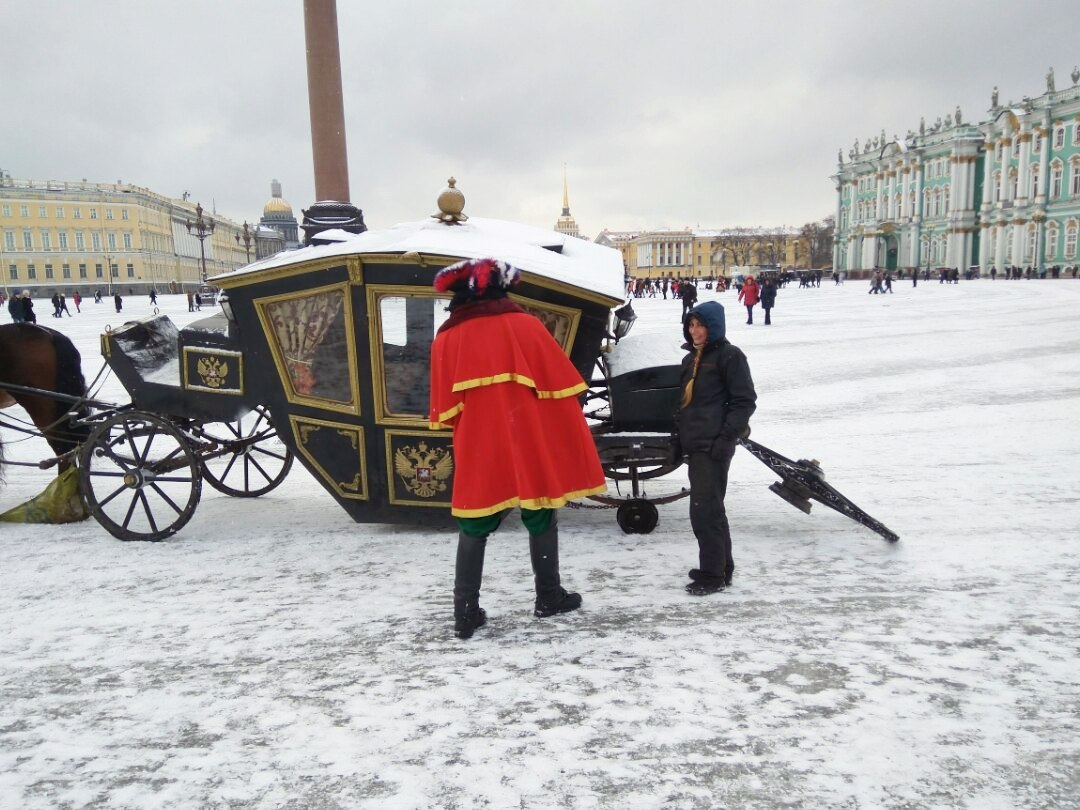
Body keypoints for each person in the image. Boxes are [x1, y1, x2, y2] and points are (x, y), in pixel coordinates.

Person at [428, 257, 607, 639]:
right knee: (539, 512)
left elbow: (444, 410)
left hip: (478, 444)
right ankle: (548, 596)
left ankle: (465, 612)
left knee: (474, 524)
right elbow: (560, 391)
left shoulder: (446, 338)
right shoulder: (526, 325)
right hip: (527, 436)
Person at [671, 301, 757, 595]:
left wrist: (725, 438)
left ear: (714, 326)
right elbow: (684, 405)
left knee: (704, 511)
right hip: (696, 443)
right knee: (711, 509)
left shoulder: (729, 356)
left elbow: (744, 401)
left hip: (713, 445)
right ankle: (721, 567)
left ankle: (712, 575)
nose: (695, 331)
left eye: (700, 325)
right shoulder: (690, 360)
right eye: (691, 325)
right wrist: (677, 440)